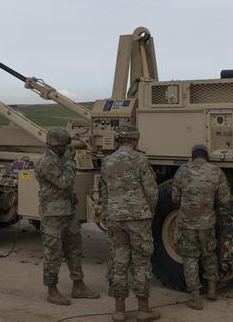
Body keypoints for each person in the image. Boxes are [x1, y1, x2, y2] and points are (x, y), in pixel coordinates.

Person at [100, 124, 160, 322]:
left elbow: (104, 192)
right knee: (141, 262)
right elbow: (151, 191)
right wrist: (148, 211)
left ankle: (119, 310)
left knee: (119, 261)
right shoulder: (140, 159)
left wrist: (110, 214)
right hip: (138, 218)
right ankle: (143, 310)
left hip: (116, 218)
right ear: (134, 140)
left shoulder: (107, 161)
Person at [35, 127, 100, 305]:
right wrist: (72, 163)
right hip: (53, 215)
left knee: (74, 250)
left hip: (68, 212)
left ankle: (78, 285)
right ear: (55, 145)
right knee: (53, 253)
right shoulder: (45, 162)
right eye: (64, 146)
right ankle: (52, 290)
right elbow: (64, 182)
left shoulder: (60, 158)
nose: (67, 148)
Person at [171, 144, 232, 310]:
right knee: (209, 254)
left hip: (187, 223)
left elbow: (175, 197)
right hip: (207, 223)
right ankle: (212, 290)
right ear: (207, 157)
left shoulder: (182, 171)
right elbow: (225, 199)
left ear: (192, 157)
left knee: (190, 257)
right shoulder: (216, 171)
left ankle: (195, 298)